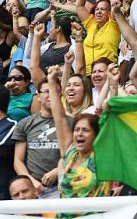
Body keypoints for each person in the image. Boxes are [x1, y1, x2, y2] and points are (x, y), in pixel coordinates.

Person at [47, 68, 110, 201]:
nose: (79, 134)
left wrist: (113, 85)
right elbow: (59, 118)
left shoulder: (102, 154)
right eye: (77, 130)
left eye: (85, 130)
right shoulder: (70, 153)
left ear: (96, 134)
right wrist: (52, 83)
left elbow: (106, 112)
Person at [12, 80, 63, 198]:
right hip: (33, 188)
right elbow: (18, 160)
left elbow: (75, 155)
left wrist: (57, 171)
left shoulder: (69, 122)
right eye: (46, 91)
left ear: (60, 94)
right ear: (38, 96)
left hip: (61, 186)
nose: (50, 95)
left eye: (54, 91)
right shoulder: (25, 123)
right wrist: (31, 182)